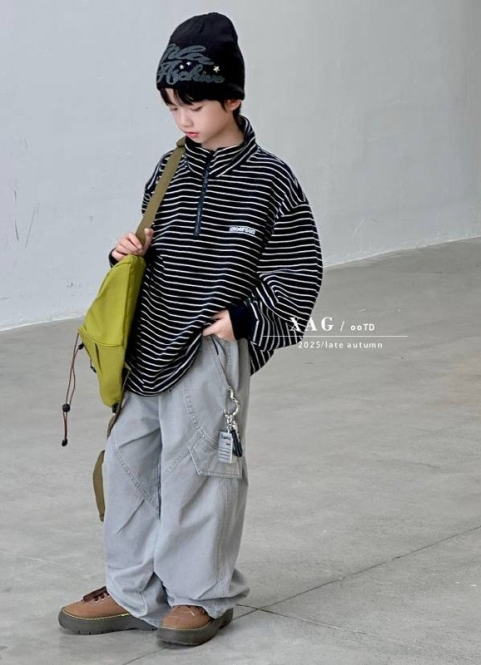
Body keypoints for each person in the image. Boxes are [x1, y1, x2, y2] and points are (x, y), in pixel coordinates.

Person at [58, 12, 323, 647]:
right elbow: (151, 251)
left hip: (209, 351)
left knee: (200, 472)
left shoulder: (271, 180)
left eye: (195, 105)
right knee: (128, 467)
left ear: (233, 98)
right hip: (148, 347)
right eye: (173, 106)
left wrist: (247, 318)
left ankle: (200, 595)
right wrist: (126, 253)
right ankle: (131, 589)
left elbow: (300, 265)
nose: (183, 120)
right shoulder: (169, 168)